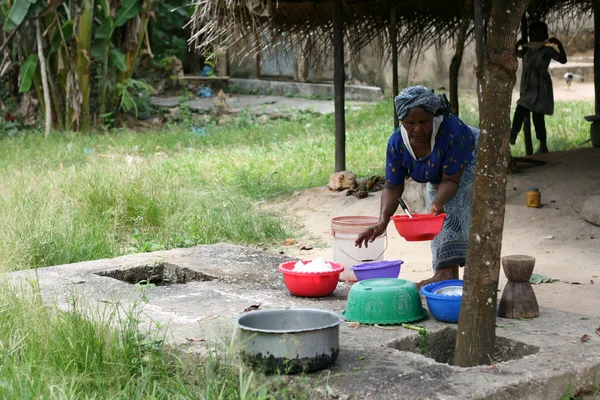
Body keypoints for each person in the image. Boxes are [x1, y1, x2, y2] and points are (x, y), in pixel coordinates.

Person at [354, 86, 478, 289]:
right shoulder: (397, 143)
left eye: (423, 122)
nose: (417, 129)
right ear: (402, 121)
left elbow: (451, 181)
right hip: (440, 176)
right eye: (410, 123)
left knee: (447, 210)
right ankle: (449, 277)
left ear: (433, 116)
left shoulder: (451, 131)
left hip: (471, 158)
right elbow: (393, 187)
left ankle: (445, 275)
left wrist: (438, 202)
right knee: (437, 212)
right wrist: (382, 222)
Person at [510, 21, 567, 153]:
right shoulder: (526, 49)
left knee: (537, 116)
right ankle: (513, 133)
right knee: (521, 108)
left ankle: (542, 145)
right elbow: (513, 55)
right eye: (532, 36)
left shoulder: (548, 50)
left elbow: (563, 60)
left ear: (544, 36)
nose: (533, 39)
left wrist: (558, 44)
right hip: (528, 85)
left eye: (536, 36)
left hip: (541, 86)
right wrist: (517, 45)